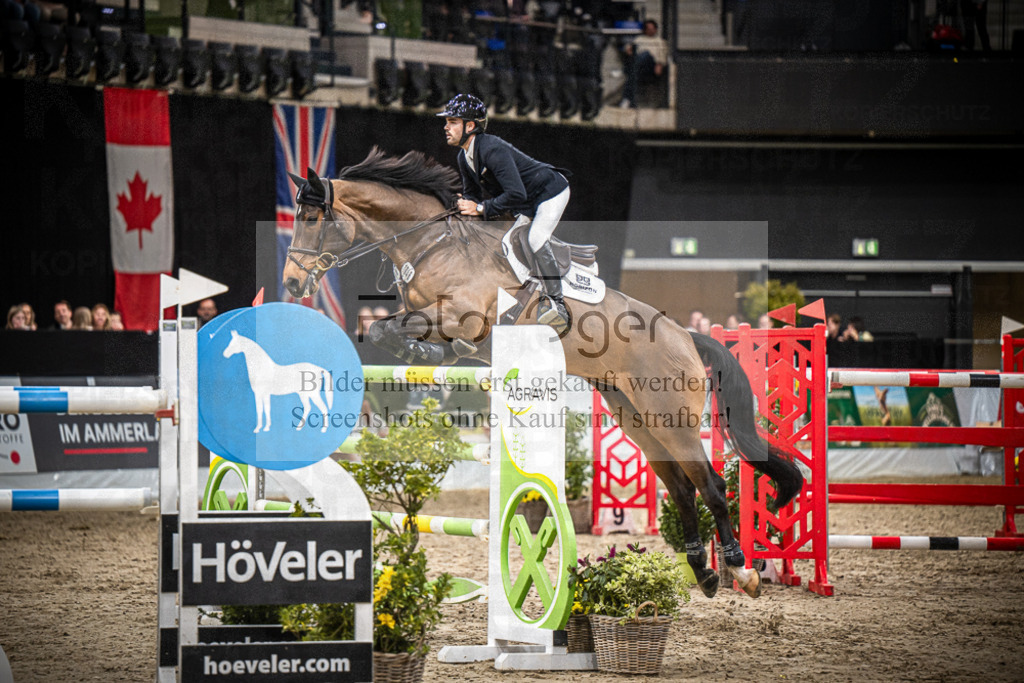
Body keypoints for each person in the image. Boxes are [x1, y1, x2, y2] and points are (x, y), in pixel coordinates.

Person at [439, 93, 572, 331]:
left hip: (550, 192)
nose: (446, 127)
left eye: (452, 122)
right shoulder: (464, 156)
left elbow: (516, 194)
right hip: (526, 202)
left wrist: (480, 208)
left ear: (470, 126)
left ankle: (557, 303)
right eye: (447, 121)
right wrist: (459, 204)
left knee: (536, 238)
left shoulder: (492, 149)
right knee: (504, 244)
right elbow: (472, 195)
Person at [620, 19, 670, 109]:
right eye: (648, 28)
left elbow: (662, 55)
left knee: (645, 55)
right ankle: (628, 99)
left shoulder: (660, 41)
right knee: (634, 70)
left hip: (651, 65)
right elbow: (629, 48)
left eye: (652, 28)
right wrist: (628, 49)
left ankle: (627, 98)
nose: (650, 30)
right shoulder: (639, 39)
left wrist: (660, 64)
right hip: (639, 66)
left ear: (656, 29)